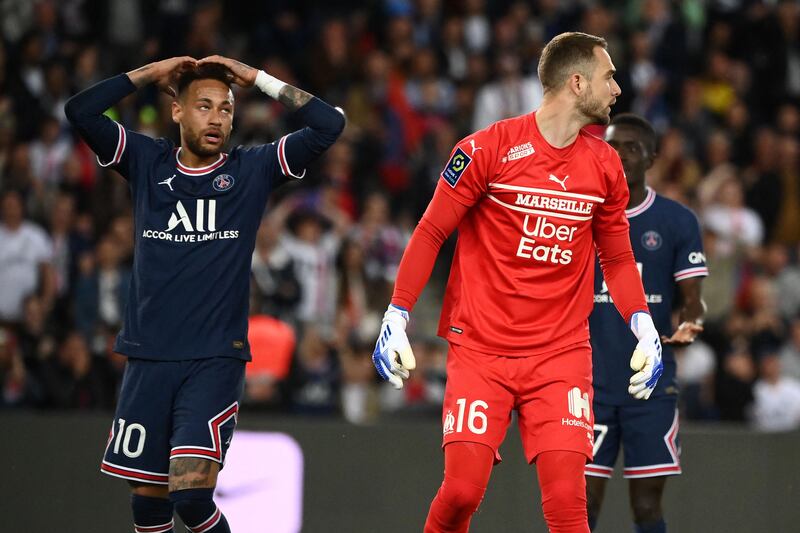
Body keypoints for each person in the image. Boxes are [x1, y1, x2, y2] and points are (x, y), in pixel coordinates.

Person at [372, 32, 664, 533]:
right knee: (462, 492)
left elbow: (616, 257)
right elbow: (431, 231)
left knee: (569, 505)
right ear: (577, 83)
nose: (618, 89)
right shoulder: (486, 149)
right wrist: (397, 313)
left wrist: (643, 323)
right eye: (609, 76)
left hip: (560, 354)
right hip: (481, 348)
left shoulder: (605, 166)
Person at [65, 55, 344, 533]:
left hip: (213, 359)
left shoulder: (250, 171)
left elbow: (328, 124)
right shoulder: (147, 162)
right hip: (147, 357)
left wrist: (256, 78)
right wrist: (151, 74)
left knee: (192, 497)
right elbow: (80, 112)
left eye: (226, 109)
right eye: (204, 106)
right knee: (148, 507)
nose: (216, 119)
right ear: (177, 111)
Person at [586, 114, 707, 533]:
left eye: (631, 148)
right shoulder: (579, 214)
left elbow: (693, 300)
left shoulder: (677, 221)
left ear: (652, 158)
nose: (619, 156)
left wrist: (691, 323)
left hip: (649, 386)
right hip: (587, 383)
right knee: (580, 504)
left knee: (646, 505)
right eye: (612, 146)